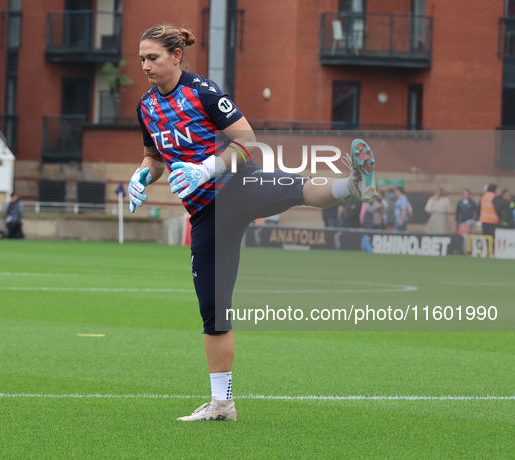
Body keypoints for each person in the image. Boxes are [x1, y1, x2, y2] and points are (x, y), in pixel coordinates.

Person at [128, 24, 377, 422]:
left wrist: (207, 168)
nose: (145, 66)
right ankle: (222, 405)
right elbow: (154, 158)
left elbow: (248, 142)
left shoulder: (203, 91)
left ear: (176, 56)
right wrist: (142, 175)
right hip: (206, 214)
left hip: (238, 185)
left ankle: (353, 184)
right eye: (141, 59)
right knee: (213, 310)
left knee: (296, 188)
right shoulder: (145, 106)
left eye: (152, 57)